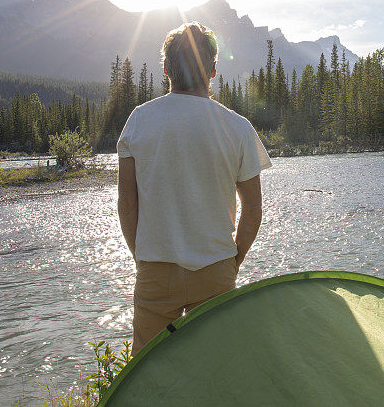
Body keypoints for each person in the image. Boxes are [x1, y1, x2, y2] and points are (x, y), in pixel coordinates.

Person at [116, 22, 271, 355]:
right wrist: (234, 260)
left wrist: (142, 257)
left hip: (156, 269)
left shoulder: (139, 120)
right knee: (215, 369)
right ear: (213, 70)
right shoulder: (237, 127)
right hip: (215, 269)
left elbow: (127, 204)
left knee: (149, 372)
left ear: (167, 68)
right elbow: (253, 210)